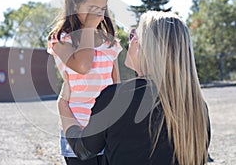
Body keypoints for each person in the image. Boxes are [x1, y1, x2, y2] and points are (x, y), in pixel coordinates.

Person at [58, 10, 211, 165]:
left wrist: (63, 105)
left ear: (143, 47)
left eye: (133, 35)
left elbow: (83, 150)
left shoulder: (117, 97)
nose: (129, 41)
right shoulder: (197, 107)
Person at [47, 0, 122, 165]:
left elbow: (116, 85)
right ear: (74, 5)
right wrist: (88, 28)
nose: (97, 14)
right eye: (91, 8)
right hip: (77, 129)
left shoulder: (109, 43)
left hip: (107, 129)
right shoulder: (61, 40)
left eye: (102, 8)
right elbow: (82, 66)